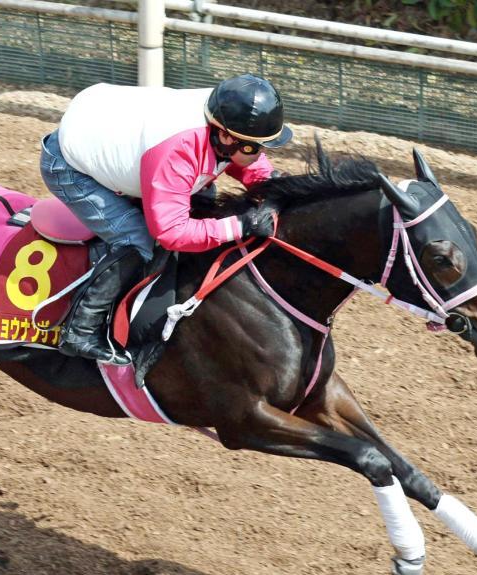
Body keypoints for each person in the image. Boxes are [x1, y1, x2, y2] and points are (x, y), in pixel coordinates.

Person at [39, 74, 293, 366]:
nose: (259, 153)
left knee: (205, 203)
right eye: (254, 147)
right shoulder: (181, 147)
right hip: (68, 166)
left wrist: (272, 185)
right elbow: (171, 232)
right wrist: (240, 225)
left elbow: (244, 160)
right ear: (224, 136)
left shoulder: (226, 116)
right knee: (138, 238)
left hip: (119, 138)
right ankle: (81, 330)